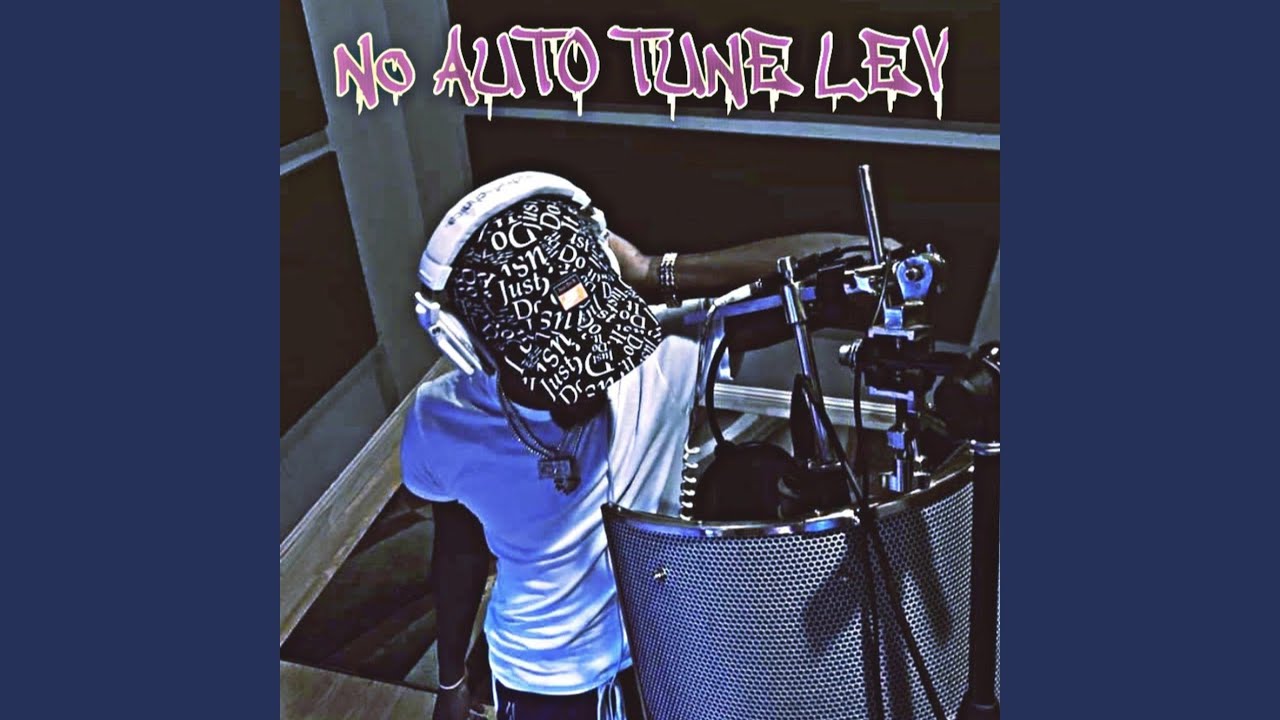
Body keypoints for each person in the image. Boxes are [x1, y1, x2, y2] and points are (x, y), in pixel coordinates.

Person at [400, 171, 880, 720]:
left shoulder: (663, 347)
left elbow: (873, 258)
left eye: (600, 347)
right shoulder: (441, 421)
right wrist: (451, 679)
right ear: (469, 346)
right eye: (555, 370)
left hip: (660, 645)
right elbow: (458, 549)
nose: (590, 379)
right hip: (540, 673)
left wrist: (651, 270)